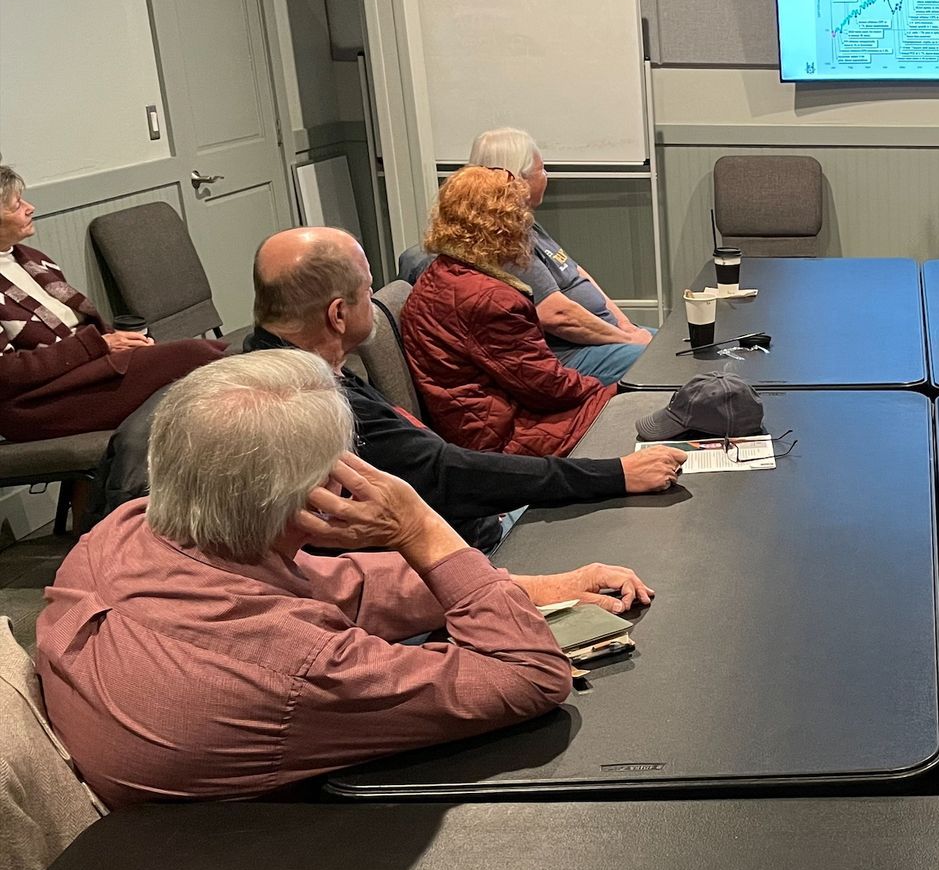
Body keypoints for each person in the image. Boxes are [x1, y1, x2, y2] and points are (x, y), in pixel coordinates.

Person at [37, 351, 651, 808]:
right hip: (247, 865)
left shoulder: (125, 530)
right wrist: (421, 528)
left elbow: (337, 584)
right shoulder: (299, 667)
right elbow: (529, 676)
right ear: (319, 493)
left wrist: (534, 586)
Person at [92, 227, 684, 549]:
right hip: (462, 544)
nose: (377, 296)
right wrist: (613, 475)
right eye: (367, 287)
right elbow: (449, 476)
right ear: (337, 313)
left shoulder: (271, 360)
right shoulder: (309, 404)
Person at [0, 166, 223, 441]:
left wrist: (116, 342)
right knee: (199, 358)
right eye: (16, 205)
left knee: (208, 364)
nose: (30, 208)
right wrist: (99, 345)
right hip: (36, 402)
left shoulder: (32, 258)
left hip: (84, 370)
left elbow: (83, 327)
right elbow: (7, 372)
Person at [404, 167, 614, 456]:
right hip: (507, 438)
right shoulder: (488, 300)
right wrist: (609, 392)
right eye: (519, 215)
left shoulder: (440, 274)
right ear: (502, 224)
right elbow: (547, 388)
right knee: (640, 404)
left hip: (484, 426)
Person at [466, 127, 655, 386]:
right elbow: (557, 315)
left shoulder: (525, 223)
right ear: (517, 179)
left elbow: (576, 274)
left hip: (604, 338)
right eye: (541, 170)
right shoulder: (503, 239)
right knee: (668, 363)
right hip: (570, 356)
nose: (546, 176)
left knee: (678, 345)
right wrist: (627, 339)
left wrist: (625, 324)